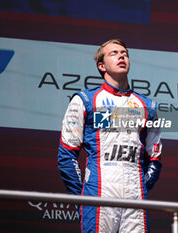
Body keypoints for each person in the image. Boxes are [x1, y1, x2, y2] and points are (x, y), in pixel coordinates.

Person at [57, 39, 162, 233]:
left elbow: (154, 158)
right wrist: (82, 196)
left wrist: (140, 186)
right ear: (101, 66)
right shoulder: (85, 100)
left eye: (124, 53)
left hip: (135, 196)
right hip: (98, 193)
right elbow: (67, 155)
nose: (121, 56)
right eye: (113, 53)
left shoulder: (148, 106)